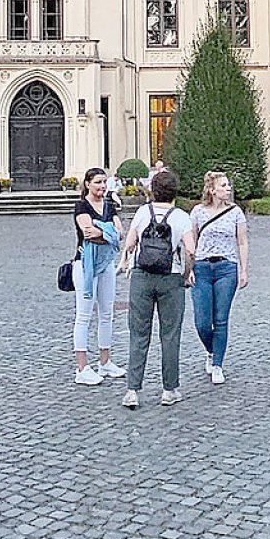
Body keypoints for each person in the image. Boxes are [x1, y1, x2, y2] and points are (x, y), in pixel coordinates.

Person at [117, 168, 197, 408]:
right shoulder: (182, 216)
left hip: (142, 276)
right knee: (170, 335)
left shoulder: (143, 212)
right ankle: (169, 390)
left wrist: (127, 260)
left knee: (138, 334)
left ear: (153, 191)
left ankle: (132, 390)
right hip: (170, 277)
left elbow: (130, 243)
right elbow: (191, 250)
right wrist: (186, 272)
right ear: (175, 192)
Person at [189, 170, 248, 385]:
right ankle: (211, 349)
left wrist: (243, 270)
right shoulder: (197, 212)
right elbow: (190, 241)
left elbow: (242, 241)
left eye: (228, 186)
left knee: (221, 319)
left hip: (226, 267)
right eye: (223, 186)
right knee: (202, 321)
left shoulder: (235, 212)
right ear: (212, 190)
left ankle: (217, 364)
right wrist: (190, 268)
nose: (228, 189)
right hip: (202, 267)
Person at [71, 167, 125, 385]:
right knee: (84, 315)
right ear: (87, 184)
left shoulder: (110, 206)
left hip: (106, 264)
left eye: (104, 182)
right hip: (85, 265)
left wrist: (103, 232)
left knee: (106, 313)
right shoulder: (81, 206)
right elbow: (88, 232)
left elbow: (120, 233)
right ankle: (82, 367)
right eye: (98, 182)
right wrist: (108, 233)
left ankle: (105, 361)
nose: (102, 186)